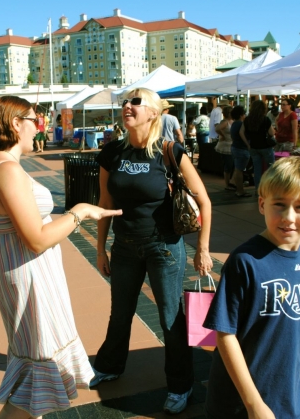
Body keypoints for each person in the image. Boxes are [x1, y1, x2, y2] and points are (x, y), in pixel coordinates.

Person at [0, 96, 121, 419]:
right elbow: (36, 240)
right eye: (34, 119)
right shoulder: (6, 170)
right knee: (37, 369)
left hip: (16, 269)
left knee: (33, 365)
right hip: (30, 276)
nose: (39, 126)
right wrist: (79, 213)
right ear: (15, 124)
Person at [91, 88, 213, 415]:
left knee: (171, 319)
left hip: (165, 247)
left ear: (153, 113)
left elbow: (204, 200)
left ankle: (180, 384)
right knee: (120, 313)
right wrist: (101, 248)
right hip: (125, 247)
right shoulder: (111, 153)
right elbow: (105, 204)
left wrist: (202, 248)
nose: (127, 107)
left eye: (136, 102)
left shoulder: (169, 151)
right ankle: (109, 365)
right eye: (125, 102)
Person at [203, 156, 300, 419]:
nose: (289, 217)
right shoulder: (245, 261)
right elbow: (225, 335)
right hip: (242, 401)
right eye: (279, 205)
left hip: (287, 393)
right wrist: (253, 404)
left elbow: (299, 317)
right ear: (262, 204)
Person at [245, 100, 276, 191]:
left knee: (257, 169)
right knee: (271, 168)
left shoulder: (247, 119)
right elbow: (271, 132)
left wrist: (248, 144)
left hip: (253, 147)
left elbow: (242, 132)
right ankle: (271, 189)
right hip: (265, 146)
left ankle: (258, 190)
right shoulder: (265, 119)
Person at [229, 106, 251, 198]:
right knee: (239, 170)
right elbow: (243, 135)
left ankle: (238, 188)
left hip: (235, 147)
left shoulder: (234, 124)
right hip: (241, 149)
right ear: (241, 115)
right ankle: (240, 190)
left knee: (238, 169)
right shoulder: (241, 124)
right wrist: (248, 145)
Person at [214, 106, 234, 190]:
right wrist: (222, 135)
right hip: (226, 146)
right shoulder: (225, 122)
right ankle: (227, 184)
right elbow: (217, 128)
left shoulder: (233, 121)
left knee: (232, 165)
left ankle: (231, 182)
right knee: (228, 165)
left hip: (232, 145)